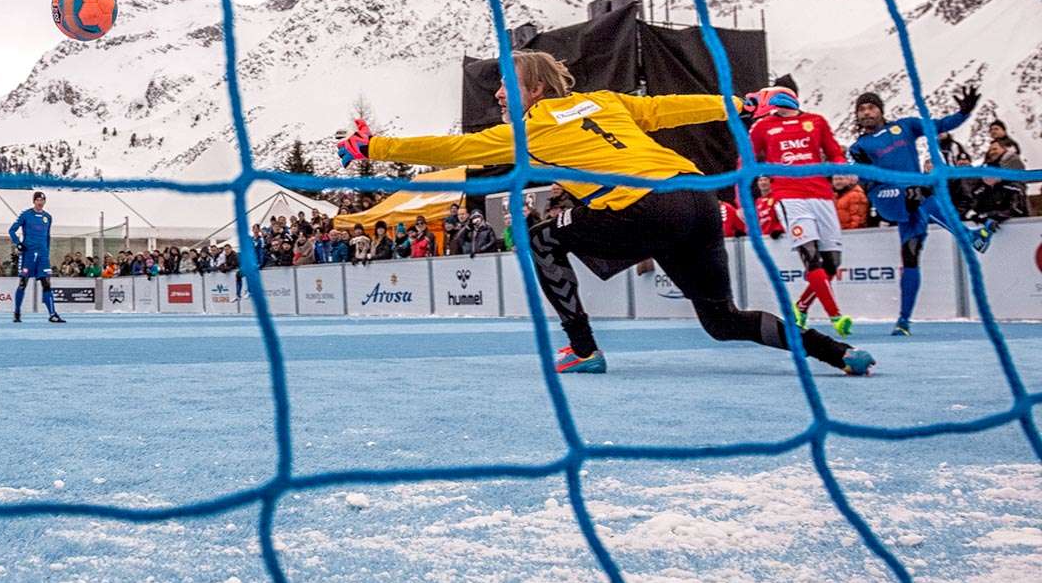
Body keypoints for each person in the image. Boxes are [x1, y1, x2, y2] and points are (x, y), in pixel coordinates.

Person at [338, 51, 871, 375]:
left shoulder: (531, 128)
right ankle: (837, 352)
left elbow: (454, 150)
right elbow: (667, 107)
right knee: (722, 320)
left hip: (644, 205)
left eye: (507, 83)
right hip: (696, 198)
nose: (499, 93)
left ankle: (583, 348)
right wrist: (737, 103)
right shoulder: (608, 102)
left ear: (537, 90)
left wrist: (373, 148)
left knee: (541, 238)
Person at [850, 87, 986, 336]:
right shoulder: (859, 146)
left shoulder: (906, 126)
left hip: (916, 198)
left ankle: (903, 321)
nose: (866, 112)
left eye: (870, 107)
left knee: (911, 256)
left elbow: (941, 124)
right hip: (887, 197)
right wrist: (891, 191)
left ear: (880, 110)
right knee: (919, 193)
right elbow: (866, 181)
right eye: (861, 109)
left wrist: (964, 112)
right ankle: (969, 236)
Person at [746, 86, 852, 336]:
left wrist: (841, 167)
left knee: (832, 263)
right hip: (788, 195)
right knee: (810, 255)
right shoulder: (762, 126)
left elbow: (835, 152)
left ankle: (801, 306)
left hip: (822, 195)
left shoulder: (816, 121)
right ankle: (836, 316)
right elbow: (746, 160)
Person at [10, 190, 63, 323]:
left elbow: (48, 236)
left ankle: (52, 314)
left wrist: (47, 252)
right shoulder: (26, 215)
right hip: (28, 254)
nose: (40, 202)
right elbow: (11, 230)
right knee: (23, 283)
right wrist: (18, 244)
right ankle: (17, 312)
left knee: (46, 283)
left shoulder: (48, 217)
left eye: (43, 200)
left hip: (43, 256)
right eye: (38, 200)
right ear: (34, 201)